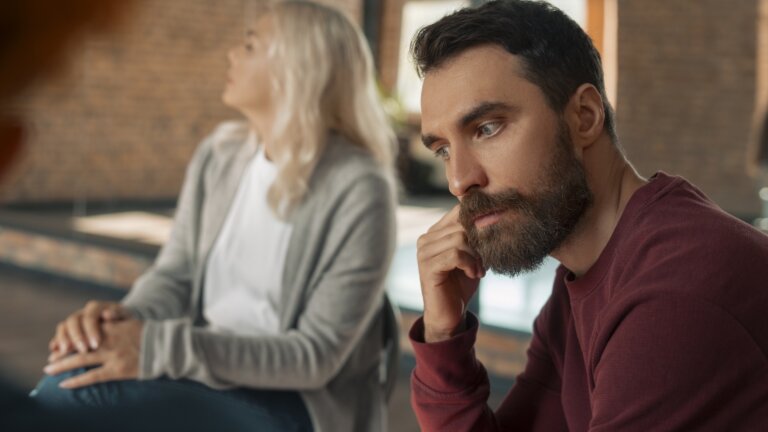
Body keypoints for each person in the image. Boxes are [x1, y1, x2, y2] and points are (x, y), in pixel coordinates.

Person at [31, 2, 397, 431]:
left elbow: (313, 356)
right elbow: (175, 275)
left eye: (250, 45)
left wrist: (153, 348)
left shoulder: (360, 187)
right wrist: (119, 325)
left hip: (297, 403)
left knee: (76, 394)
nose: (232, 55)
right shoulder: (219, 155)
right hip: (205, 371)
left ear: (297, 67)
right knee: (75, 369)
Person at [408, 1, 768, 430]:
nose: (459, 180)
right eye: (444, 150)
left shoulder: (676, 292)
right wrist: (443, 336)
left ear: (585, 117)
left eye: (487, 128)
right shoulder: (582, 276)